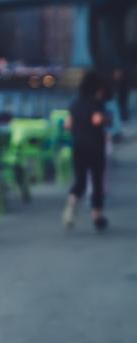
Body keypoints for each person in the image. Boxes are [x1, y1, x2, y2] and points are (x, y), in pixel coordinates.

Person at [63, 71, 109, 231]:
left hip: (78, 146)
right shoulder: (97, 103)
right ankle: (97, 216)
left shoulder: (75, 103)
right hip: (95, 146)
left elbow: (67, 124)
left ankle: (70, 207)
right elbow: (97, 120)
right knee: (96, 182)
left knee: (80, 181)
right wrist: (105, 118)